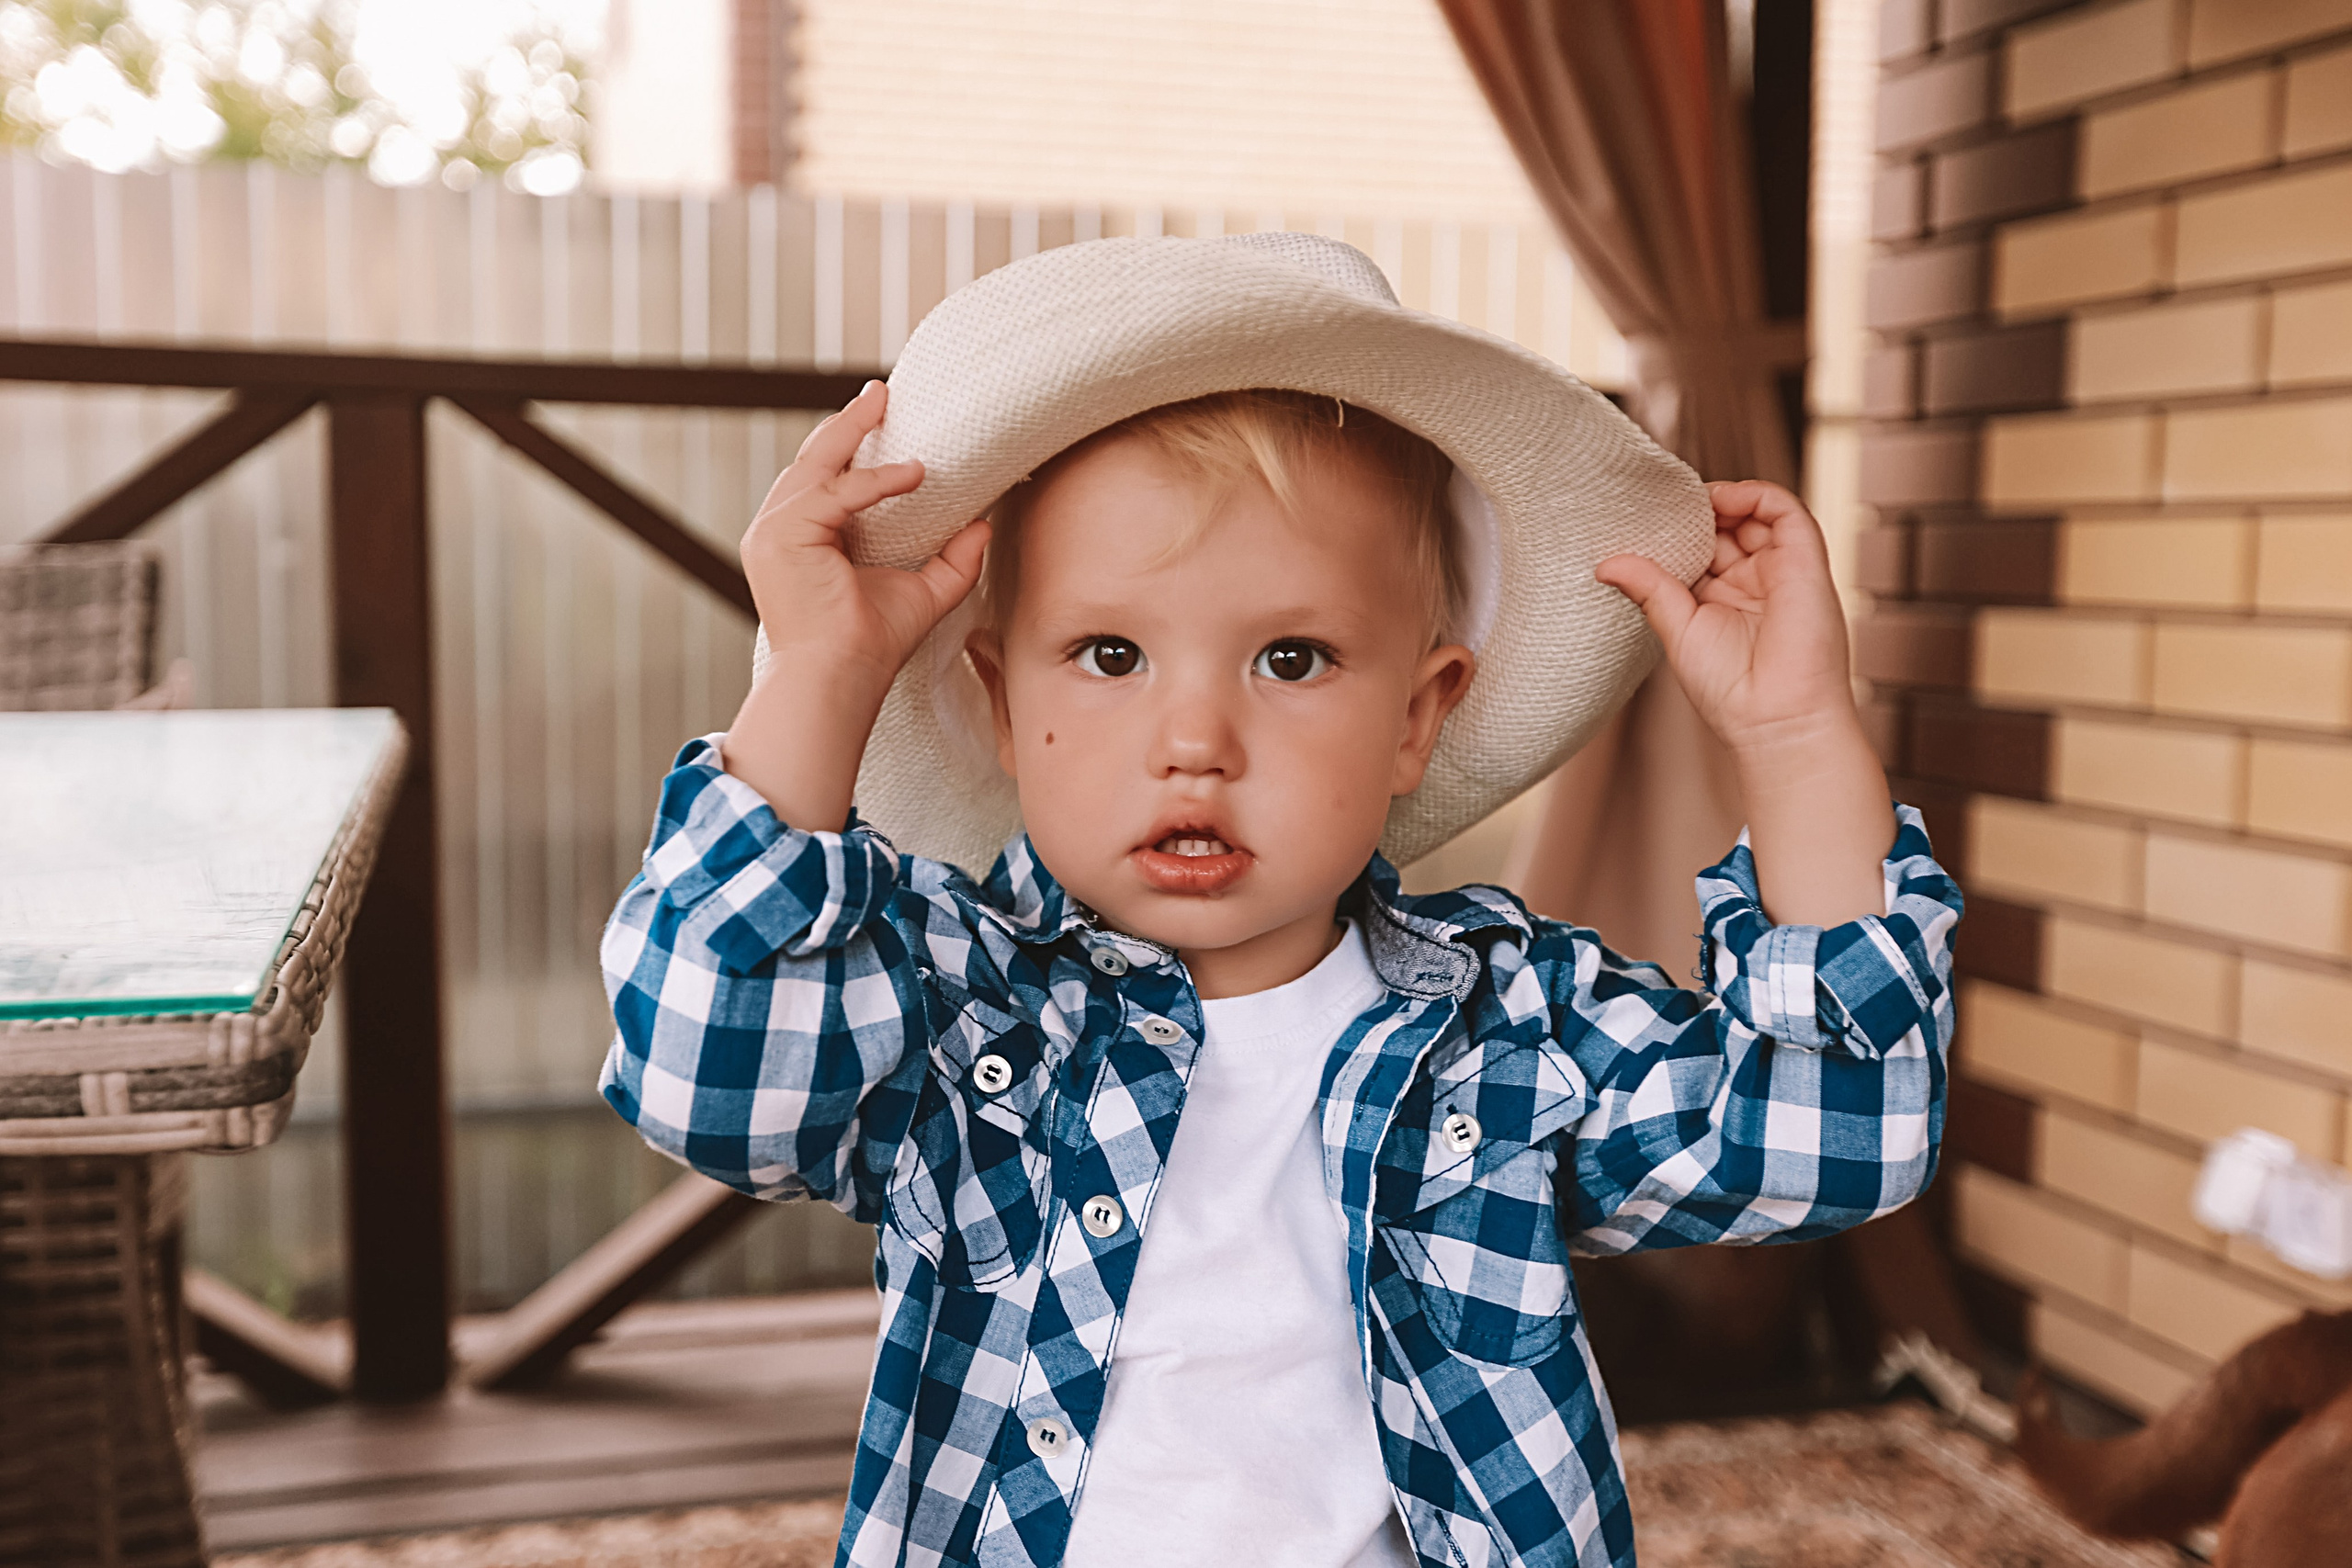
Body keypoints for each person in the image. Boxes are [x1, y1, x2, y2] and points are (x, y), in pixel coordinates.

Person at [599, 233, 1962, 1568]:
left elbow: (1835, 1132)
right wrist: (820, 678)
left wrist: (1793, 741)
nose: (1197, 738)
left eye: (1293, 658)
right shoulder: (954, 995)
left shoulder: (1509, 1034)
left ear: (1418, 719)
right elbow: (708, 1076)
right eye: (1112, 653)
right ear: (1003, 707)